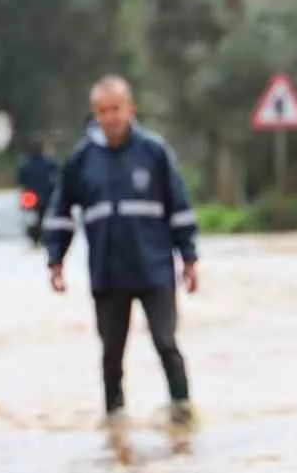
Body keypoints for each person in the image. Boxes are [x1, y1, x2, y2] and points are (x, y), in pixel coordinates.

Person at [43, 76, 199, 426]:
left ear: (130, 109)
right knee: (112, 354)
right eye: (102, 111)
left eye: (116, 109)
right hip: (108, 273)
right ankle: (114, 420)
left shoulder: (154, 152)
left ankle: (182, 409)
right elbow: (61, 211)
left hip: (154, 269)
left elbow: (180, 207)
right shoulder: (82, 160)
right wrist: (55, 260)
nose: (110, 117)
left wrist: (189, 258)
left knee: (166, 342)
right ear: (94, 114)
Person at [17, 139, 59, 247]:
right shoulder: (49, 162)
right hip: (45, 195)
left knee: (30, 217)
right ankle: (42, 234)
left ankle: (34, 234)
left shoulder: (26, 163)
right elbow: (57, 175)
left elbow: (21, 180)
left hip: (30, 195)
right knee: (44, 216)